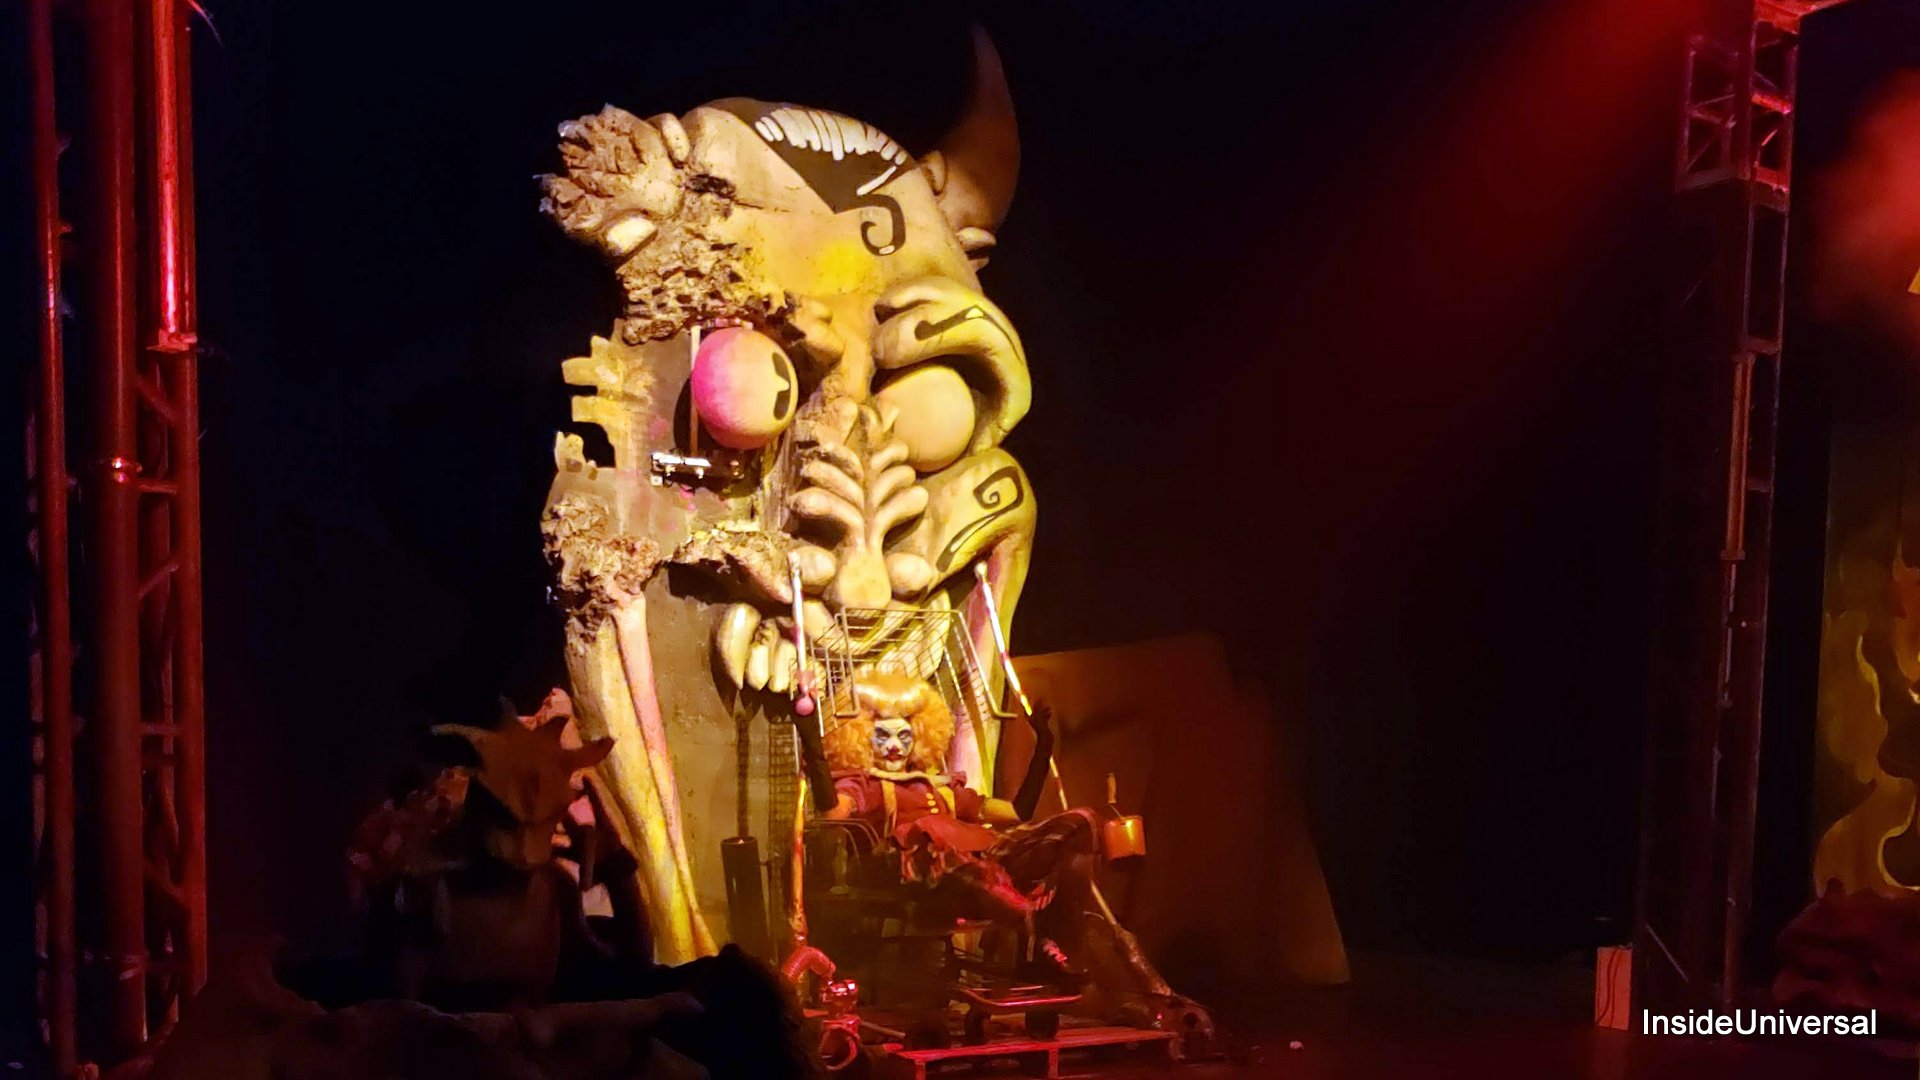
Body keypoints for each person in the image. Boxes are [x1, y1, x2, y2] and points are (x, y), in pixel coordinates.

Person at [817, 671, 1099, 982]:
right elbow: (834, 815)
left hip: (974, 864)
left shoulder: (943, 789)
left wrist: (1043, 747)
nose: (895, 746)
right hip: (913, 870)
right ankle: (1036, 924)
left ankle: (1052, 936)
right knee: (948, 857)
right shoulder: (866, 785)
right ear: (862, 738)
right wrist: (811, 744)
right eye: (883, 736)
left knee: (1080, 821)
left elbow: (1017, 812)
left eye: (904, 736)